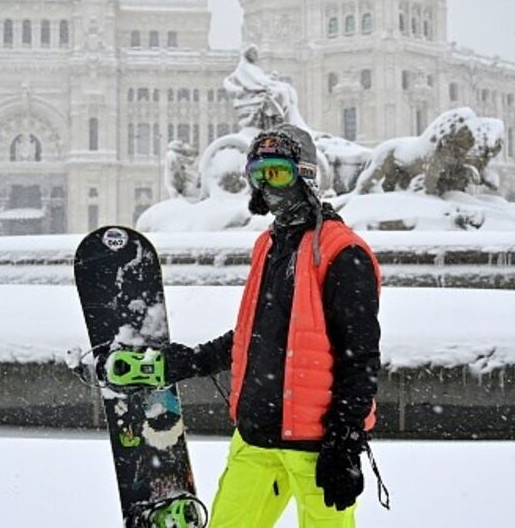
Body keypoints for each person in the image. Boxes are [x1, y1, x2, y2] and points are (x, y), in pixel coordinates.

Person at [106, 124, 384, 527]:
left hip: (317, 444)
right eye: (258, 174)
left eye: (278, 172)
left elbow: (359, 358)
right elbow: (259, 334)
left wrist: (345, 439)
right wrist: (191, 361)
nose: (267, 186)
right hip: (257, 435)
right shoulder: (269, 245)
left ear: (304, 173)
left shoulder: (344, 253)